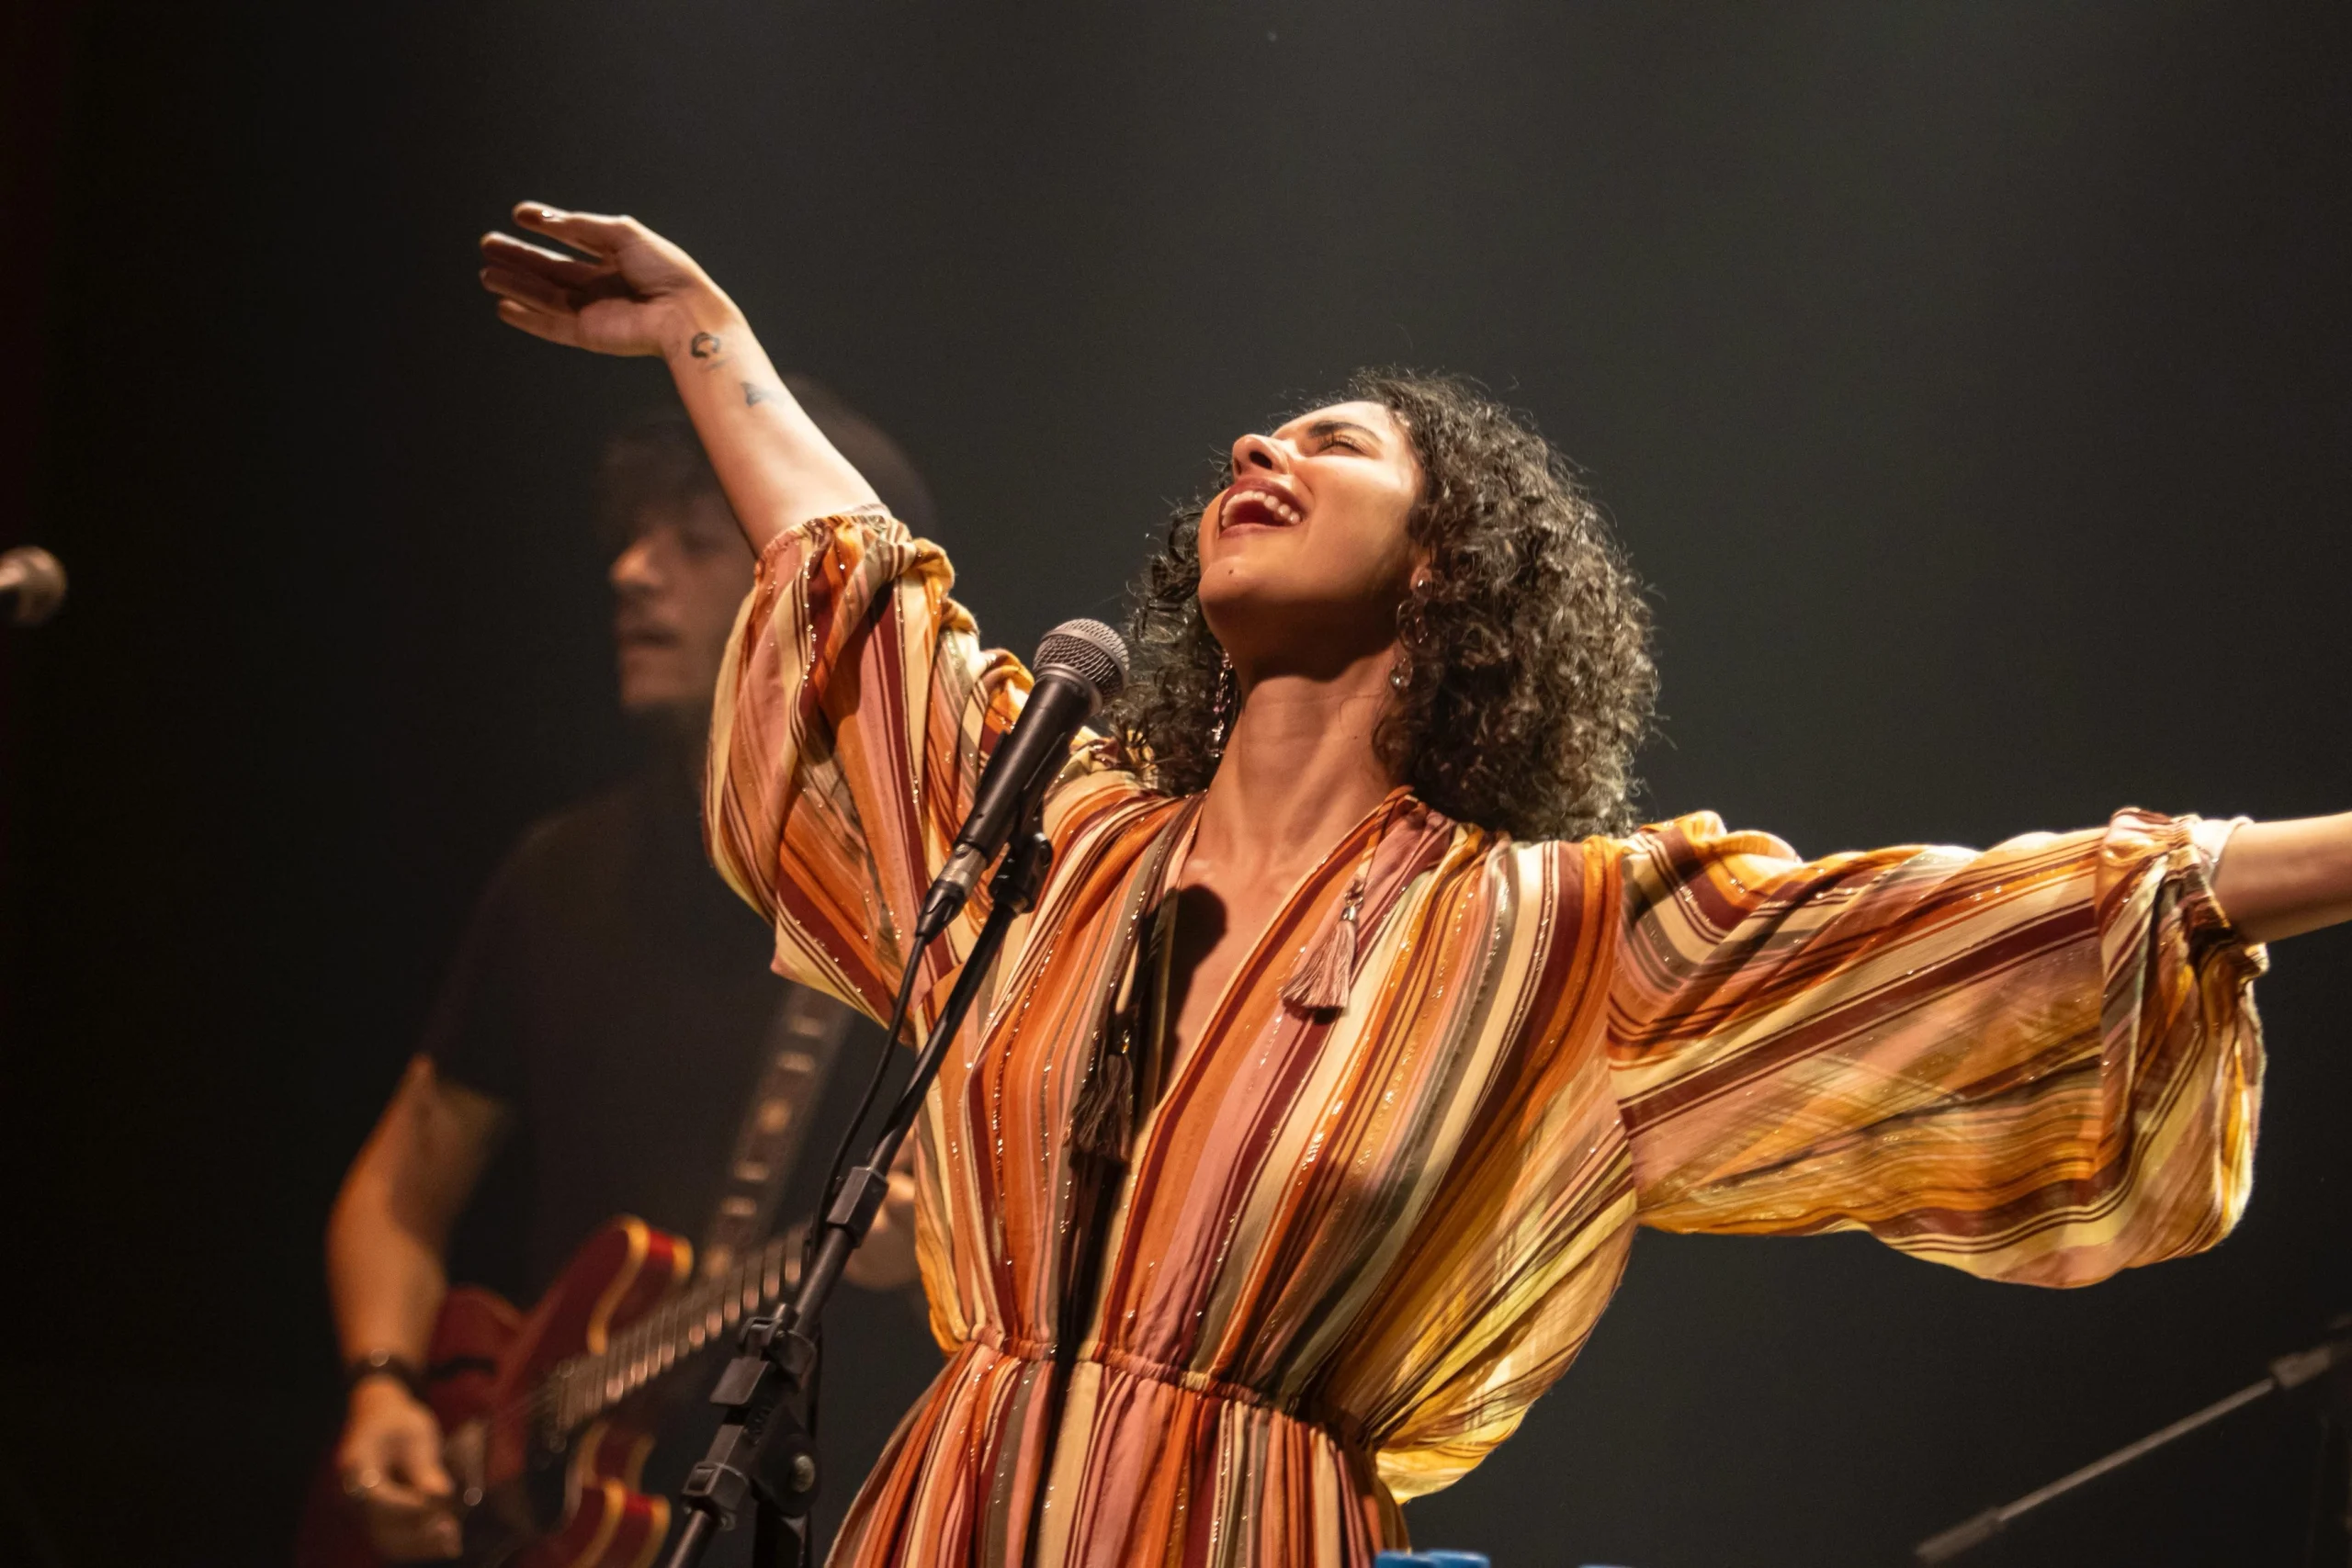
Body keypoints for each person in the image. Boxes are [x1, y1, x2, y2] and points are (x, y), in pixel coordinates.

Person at [476, 201, 2348, 1568]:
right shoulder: (1060, 835)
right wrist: (710, 337)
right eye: (1253, 436)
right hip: (941, 1509)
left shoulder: (1552, 937)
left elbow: (1993, 923)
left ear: (1447, 575)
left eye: (1332, 443)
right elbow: (855, 605)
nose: (1254, 446)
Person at [322, 405, 944, 1562]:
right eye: (633, 536)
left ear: (828, 605)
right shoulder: (563, 870)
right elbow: (402, 1181)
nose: (629, 572)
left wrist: (933, 1263)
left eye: (696, 544)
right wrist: (384, 1389)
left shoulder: (938, 902)